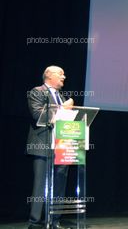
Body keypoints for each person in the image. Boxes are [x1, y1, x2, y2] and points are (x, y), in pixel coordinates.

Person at [27, 66, 73, 229]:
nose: (64, 77)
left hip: (62, 146)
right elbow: (38, 115)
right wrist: (63, 109)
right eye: (60, 74)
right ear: (49, 75)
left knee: (59, 185)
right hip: (43, 145)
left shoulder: (61, 96)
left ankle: (54, 221)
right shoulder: (37, 91)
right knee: (40, 185)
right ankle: (36, 223)